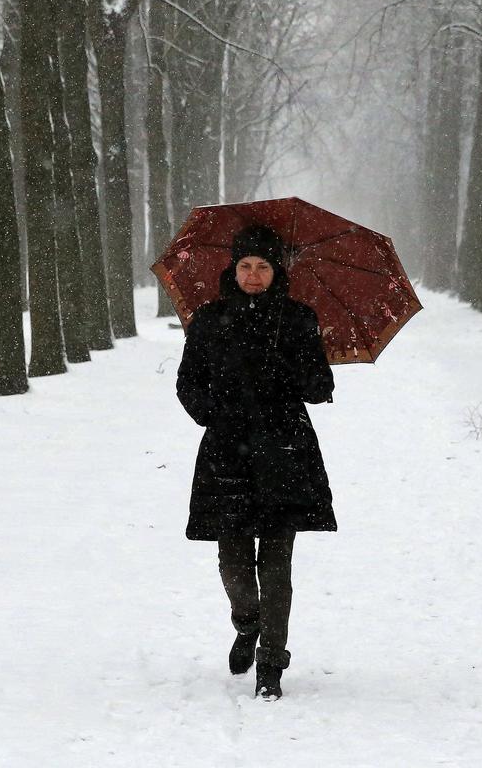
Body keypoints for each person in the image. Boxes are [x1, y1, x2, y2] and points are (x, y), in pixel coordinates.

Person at [175, 223, 336, 700]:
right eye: (245, 265)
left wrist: (297, 366)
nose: (252, 274)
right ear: (233, 267)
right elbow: (188, 381)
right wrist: (212, 414)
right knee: (234, 562)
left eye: (262, 266)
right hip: (227, 453)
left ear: (276, 271)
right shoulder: (208, 319)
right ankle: (246, 623)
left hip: (285, 452)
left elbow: (321, 388)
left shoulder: (299, 319)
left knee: (277, 566)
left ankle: (272, 660)